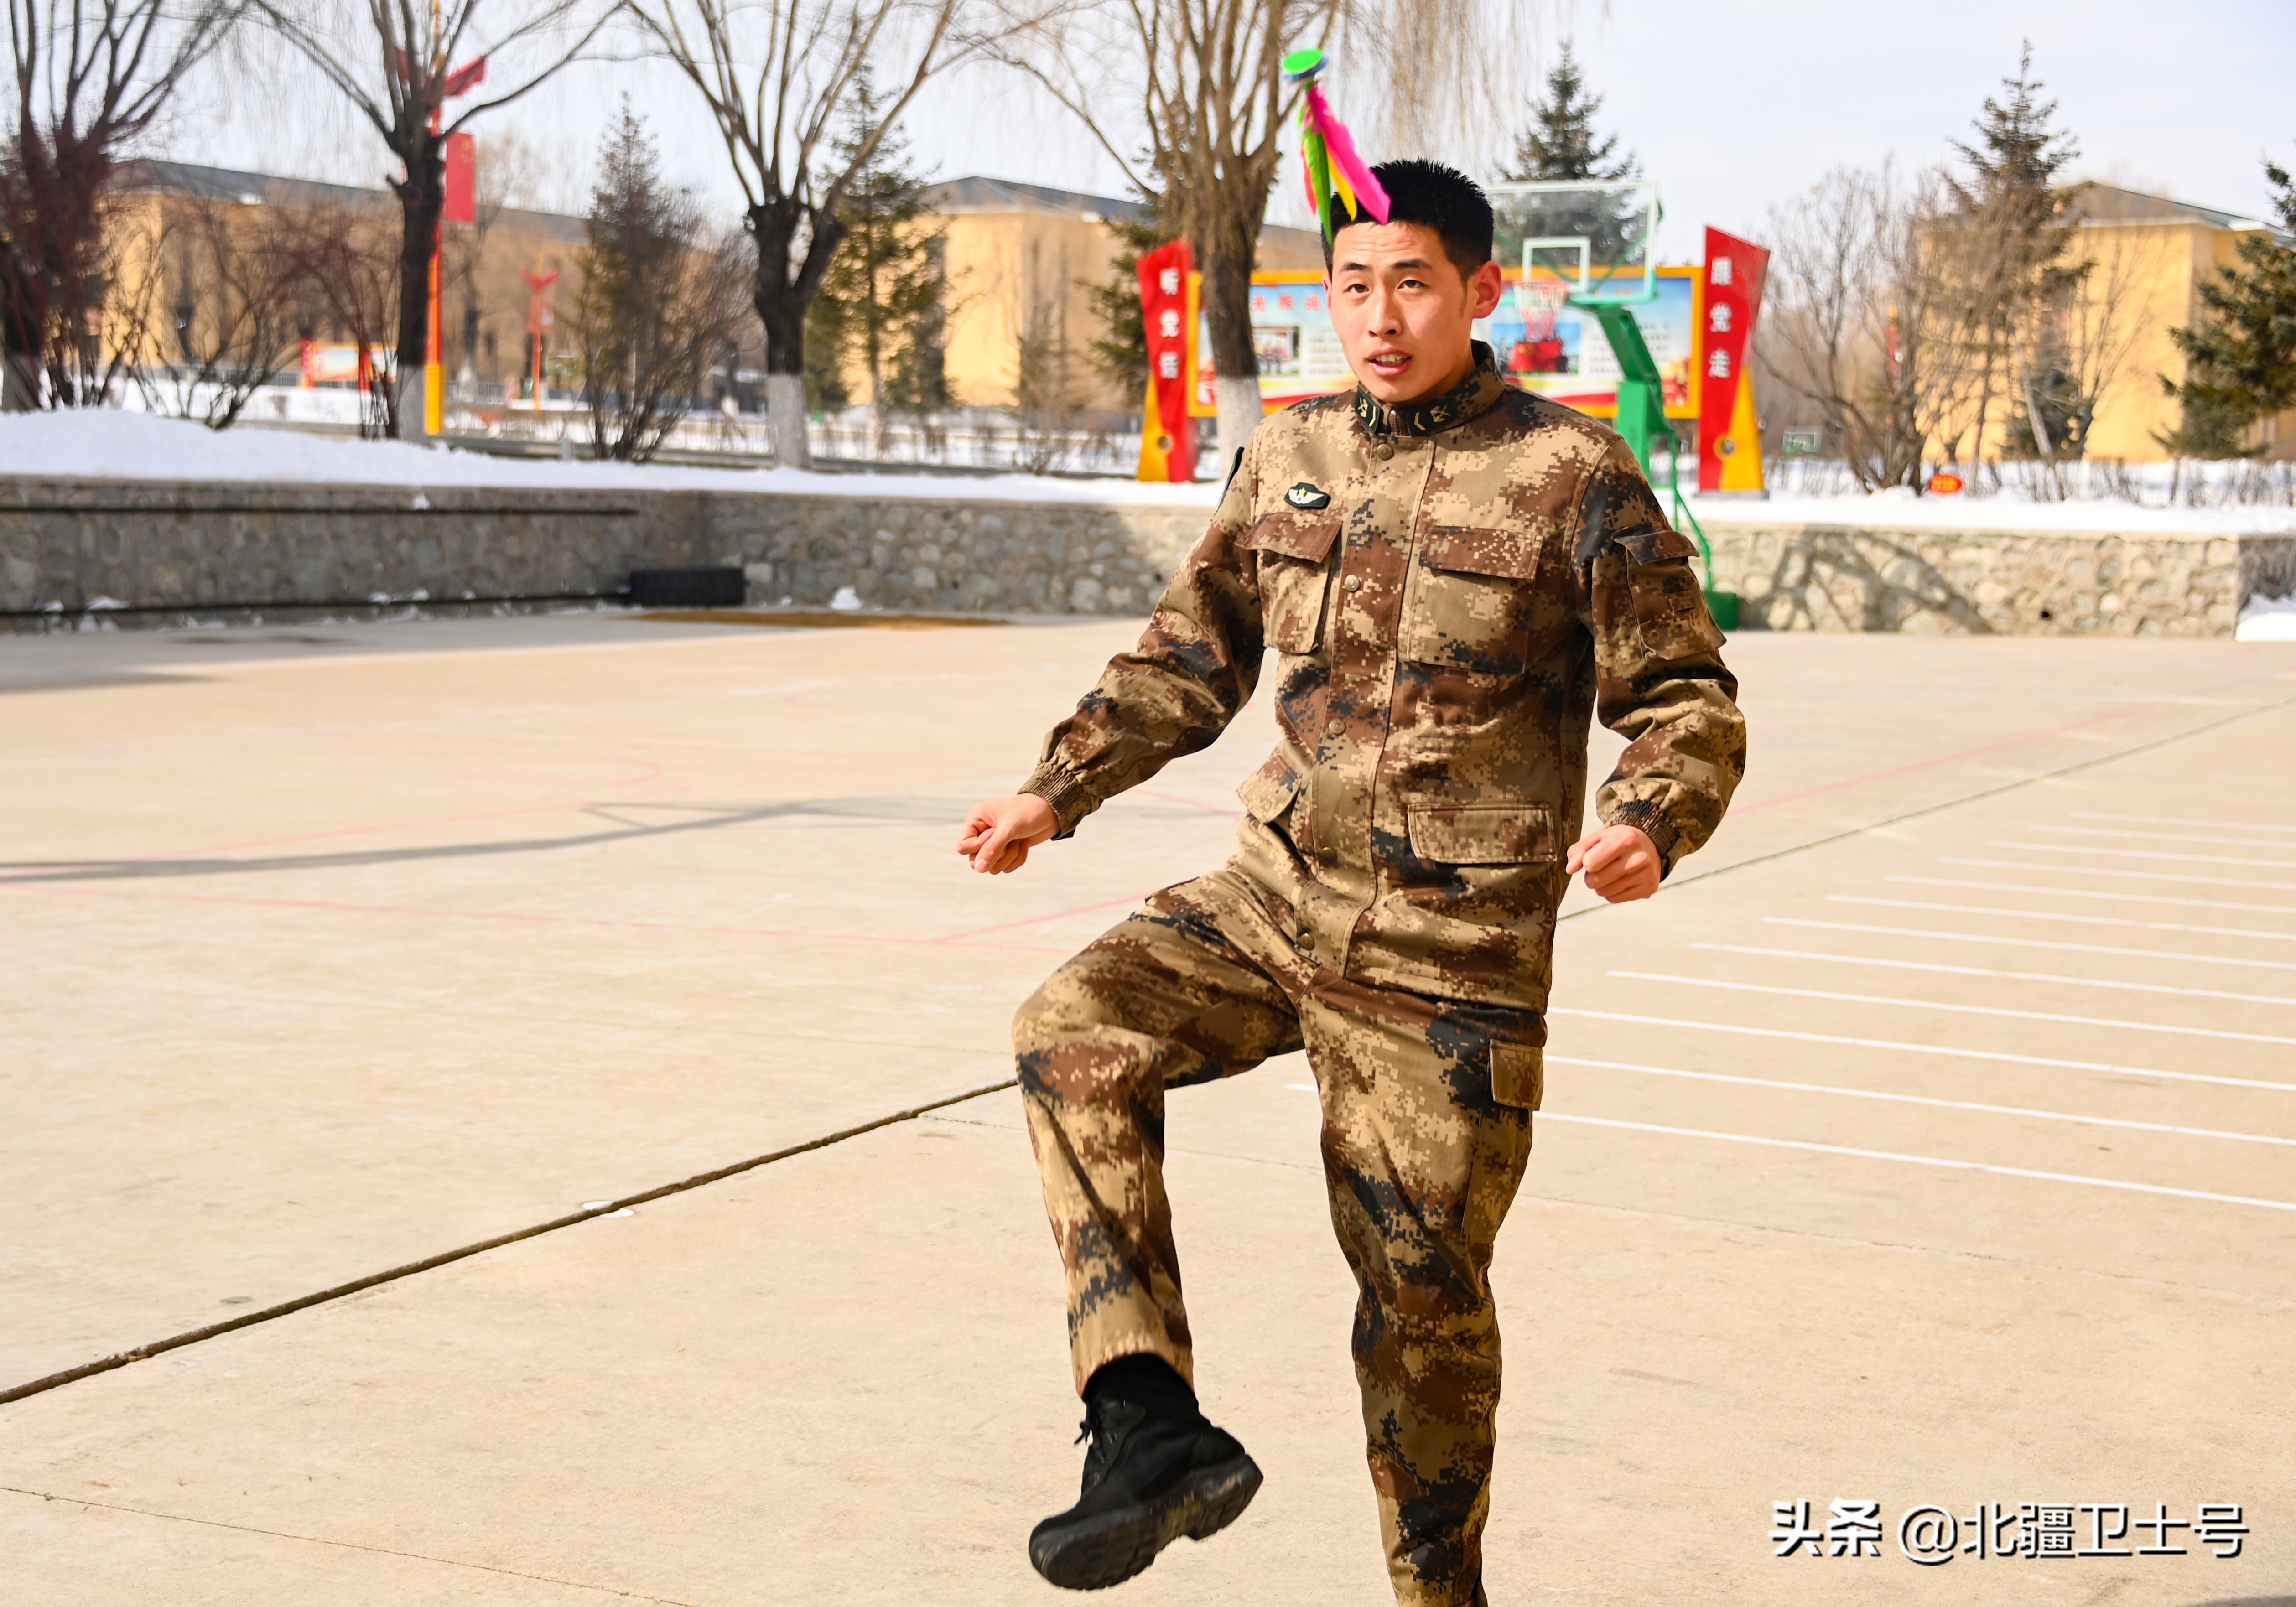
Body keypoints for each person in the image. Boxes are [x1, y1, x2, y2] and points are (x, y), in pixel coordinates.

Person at [956, 159, 1747, 1603]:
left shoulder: (1572, 475)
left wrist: (1650, 814)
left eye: (1413, 283)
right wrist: (1051, 787)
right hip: (1272, 899)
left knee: (1420, 1310)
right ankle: (1144, 1425)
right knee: (1067, 1031)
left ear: (1481, 292)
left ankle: (1438, 1594)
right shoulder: (1289, 450)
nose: (1378, 316)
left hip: (1448, 960)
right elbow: (1188, 650)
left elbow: (1685, 695)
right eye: (1353, 284)